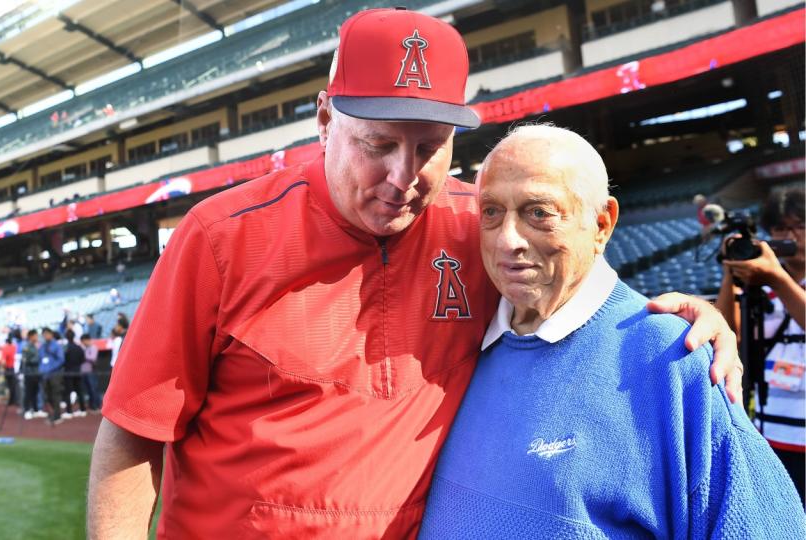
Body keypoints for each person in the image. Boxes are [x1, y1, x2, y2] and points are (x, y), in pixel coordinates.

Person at [88, 9, 741, 538]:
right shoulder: (221, 236)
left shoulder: (478, 226)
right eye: (379, 144)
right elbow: (135, 433)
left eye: (430, 148)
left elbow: (570, 293)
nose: (404, 177)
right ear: (324, 122)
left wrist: (670, 318)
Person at [419, 125, 805, 537]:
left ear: (602, 225)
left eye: (539, 212)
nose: (507, 240)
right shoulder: (458, 335)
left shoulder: (674, 356)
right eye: (492, 212)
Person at [716, 187, 806, 503]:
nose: (792, 236)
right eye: (781, 228)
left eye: (800, 225)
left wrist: (777, 278)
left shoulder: (774, 282)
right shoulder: (760, 288)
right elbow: (729, 335)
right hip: (770, 431)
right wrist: (731, 273)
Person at [38, 328, 65, 425]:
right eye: (43, 334)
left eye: (47, 334)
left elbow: (61, 359)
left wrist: (51, 368)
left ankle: (57, 415)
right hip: (45, 375)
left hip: (55, 374)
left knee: (55, 395)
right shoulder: (42, 346)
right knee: (47, 395)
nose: (45, 336)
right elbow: (40, 359)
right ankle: (53, 413)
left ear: (51, 334)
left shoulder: (56, 346)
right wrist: (42, 370)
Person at [21, 329, 45, 420]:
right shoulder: (26, 347)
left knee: (35, 391)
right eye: (35, 336)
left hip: (36, 372)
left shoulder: (36, 346)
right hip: (29, 373)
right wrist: (38, 359)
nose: (37, 337)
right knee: (28, 392)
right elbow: (26, 360)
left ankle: (36, 410)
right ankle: (27, 410)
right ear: (31, 336)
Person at [62, 329, 86, 418]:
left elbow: (63, 360)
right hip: (77, 371)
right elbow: (83, 359)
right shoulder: (78, 347)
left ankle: (69, 411)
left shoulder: (66, 348)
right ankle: (83, 409)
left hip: (68, 372)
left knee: (68, 392)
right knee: (80, 391)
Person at [80, 333, 102, 412]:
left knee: (94, 388)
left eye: (83, 341)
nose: (83, 343)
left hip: (92, 371)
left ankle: (97, 405)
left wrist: (84, 355)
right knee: (89, 389)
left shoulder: (93, 347)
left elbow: (93, 358)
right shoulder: (85, 348)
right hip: (85, 371)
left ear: (86, 340)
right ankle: (92, 405)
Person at [1, 337, 19, 408]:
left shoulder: (5, 348)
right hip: (15, 368)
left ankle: (12, 400)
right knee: (15, 385)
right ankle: (15, 400)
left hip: (9, 368)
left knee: (10, 386)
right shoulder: (15, 347)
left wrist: (3, 368)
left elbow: (3, 361)